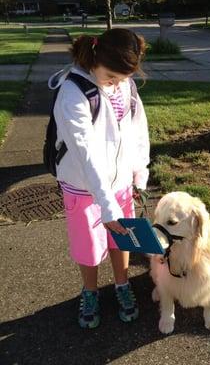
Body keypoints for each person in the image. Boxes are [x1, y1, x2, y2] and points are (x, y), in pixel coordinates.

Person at [48, 28, 150, 329]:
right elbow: (86, 154)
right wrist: (107, 207)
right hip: (83, 188)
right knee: (88, 245)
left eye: (122, 78)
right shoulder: (72, 93)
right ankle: (90, 291)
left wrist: (138, 175)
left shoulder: (125, 86)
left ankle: (121, 284)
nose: (117, 83)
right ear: (96, 58)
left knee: (122, 238)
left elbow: (138, 133)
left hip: (120, 184)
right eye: (112, 77)